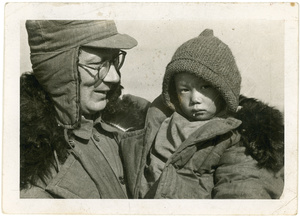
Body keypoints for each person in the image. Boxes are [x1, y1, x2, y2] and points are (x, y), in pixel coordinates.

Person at [120, 29, 284, 199]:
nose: (195, 99)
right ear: (173, 93)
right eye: (184, 89)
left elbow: (240, 188)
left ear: (223, 90)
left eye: (205, 87)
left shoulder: (234, 136)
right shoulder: (159, 124)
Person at [20, 20, 150, 198]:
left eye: (114, 61)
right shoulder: (26, 166)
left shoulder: (125, 128)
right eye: (97, 64)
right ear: (60, 71)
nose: (114, 77)